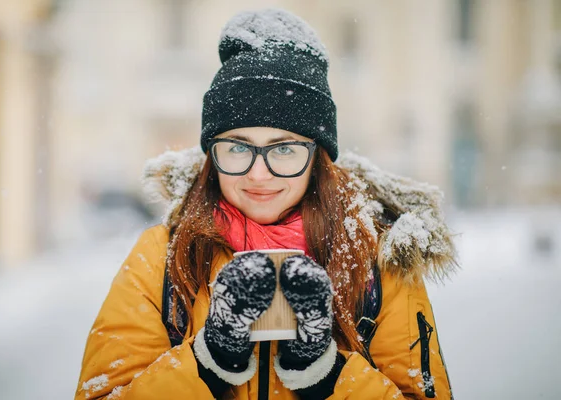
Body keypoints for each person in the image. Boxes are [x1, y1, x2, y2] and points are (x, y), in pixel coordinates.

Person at [75, 8, 456, 400]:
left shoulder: (378, 262)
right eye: (238, 147)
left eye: (285, 149)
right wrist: (207, 363)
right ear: (212, 156)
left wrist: (327, 374)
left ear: (317, 158)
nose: (259, 174)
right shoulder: (161, 259)